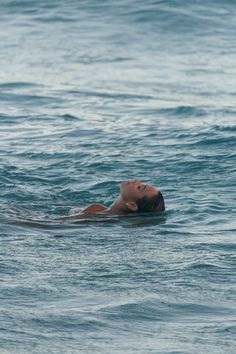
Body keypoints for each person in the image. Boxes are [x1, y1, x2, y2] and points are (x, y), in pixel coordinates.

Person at [81, 179, 165, 215]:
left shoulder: (95, 210)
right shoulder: (108, 217)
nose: (137, 181)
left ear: (132, 205)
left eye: (139, 187)